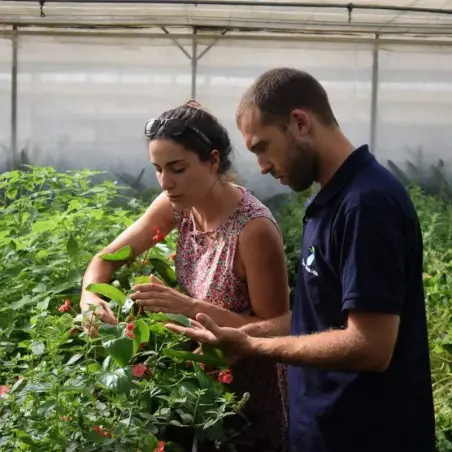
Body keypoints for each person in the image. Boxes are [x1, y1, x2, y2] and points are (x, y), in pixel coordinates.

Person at [167, 69, 437, 452]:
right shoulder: (326, 202)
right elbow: (318, 318)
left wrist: (251, 347)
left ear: (299, 122)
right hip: (322, 429)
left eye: (262, 146)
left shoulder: (367, 204)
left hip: (367, 434)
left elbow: (370, 345)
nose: (260, 165)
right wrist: (240, 336)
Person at [79, 100, 289, 451]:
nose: (165, 182)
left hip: (246, 393)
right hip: (194, 389)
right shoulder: (176, 207)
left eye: (177, 168)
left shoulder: (254, 231)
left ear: (213, 161)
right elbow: (105, 259)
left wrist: (188, 306)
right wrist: (90, 297)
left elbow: (278, 325)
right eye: (158, 169)